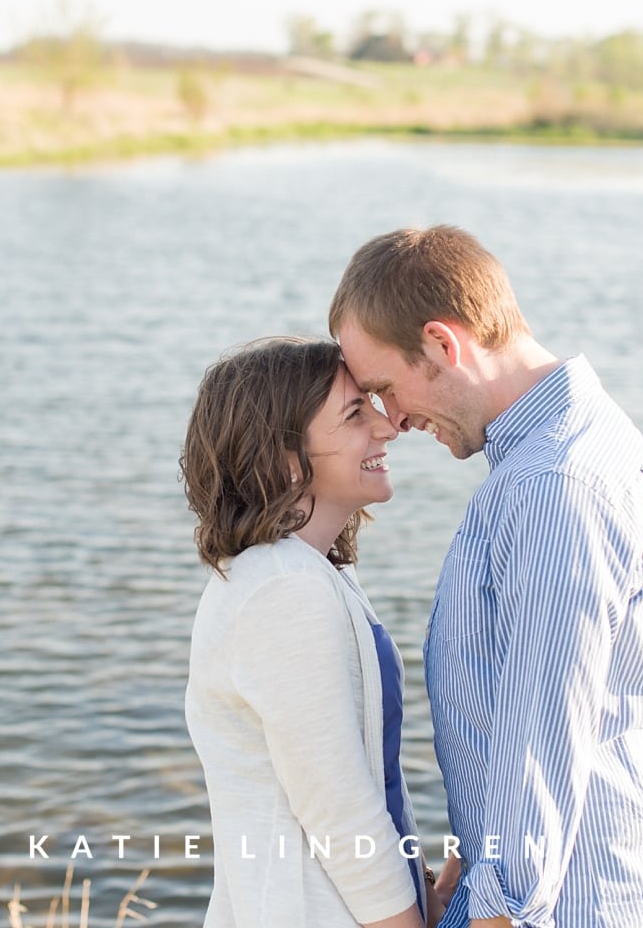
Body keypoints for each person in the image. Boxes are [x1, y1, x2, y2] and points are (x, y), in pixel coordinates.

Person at [328, 226, 643, 928]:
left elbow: (545, 730)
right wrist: (470, 862)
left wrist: (496, 905)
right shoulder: (569, 446)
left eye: (386, 388)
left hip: (577, 905)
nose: (393, 420)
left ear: (445, 344)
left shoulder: (552, 484)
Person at [180, 337, 447, 928]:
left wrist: (424, 889)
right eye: (355, 414)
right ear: (284, 459)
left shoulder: (308, 573)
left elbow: (364, 778)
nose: (386, 427)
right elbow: (339, 809)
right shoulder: (282, 589)